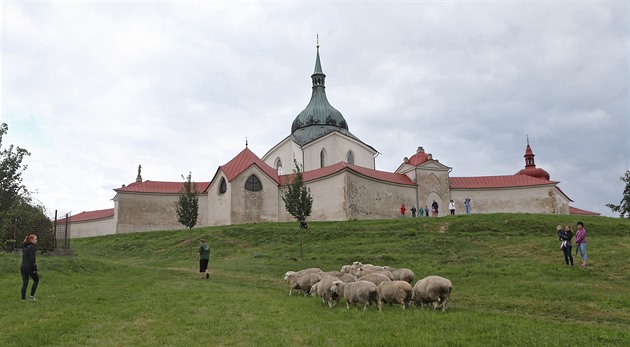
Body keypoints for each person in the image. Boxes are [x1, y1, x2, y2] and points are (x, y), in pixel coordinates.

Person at [21, 234, 40, 301]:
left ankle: (23, 299)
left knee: (25, 283)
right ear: (31, 240)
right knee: (36, 280)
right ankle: (31, 297)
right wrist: (34, 269)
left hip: (23, 267)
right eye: (35, 239)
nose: (36, 240)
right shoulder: (32, 247)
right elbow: (32, 258)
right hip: (30, 267)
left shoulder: (25, 247)